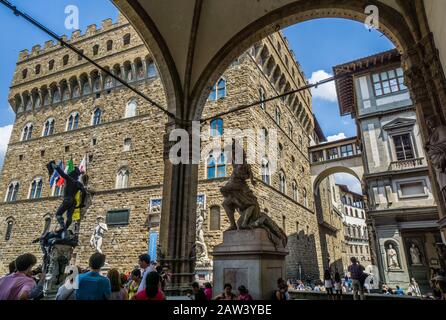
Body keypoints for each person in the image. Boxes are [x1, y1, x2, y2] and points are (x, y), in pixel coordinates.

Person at [49, 161, 86, 238]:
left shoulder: (69, 179)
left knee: (58, 214)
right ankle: (65, 229)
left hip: (67, 200)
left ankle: (63, 227)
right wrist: (81, 203)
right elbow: (84, 192)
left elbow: (62, 174)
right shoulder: (79, 184)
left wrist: (55, 166)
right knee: (69, 218)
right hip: (74, 202)